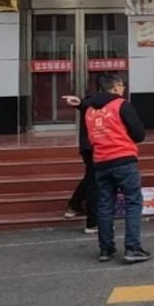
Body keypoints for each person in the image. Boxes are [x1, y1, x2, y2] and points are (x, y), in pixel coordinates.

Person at [84, 73, 150, 264]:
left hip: (101, 161)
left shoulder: (90, 110)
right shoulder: (121, 105)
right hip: (123, 159)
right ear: (114, 87)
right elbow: (138, 134)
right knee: (133, 203)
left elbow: (90, 137)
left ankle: (106, 249)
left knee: (105, 205)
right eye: (122, 86)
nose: (123, 89)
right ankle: (132, 248)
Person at [62, 91, 98, 234]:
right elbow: (87, 104)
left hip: (93, 146)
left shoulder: (96, 102)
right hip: (94, 147)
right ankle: (93, 222)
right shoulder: (95, 101)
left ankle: (75, 204)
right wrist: (80, 103)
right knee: (93, 182)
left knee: (91, 177)